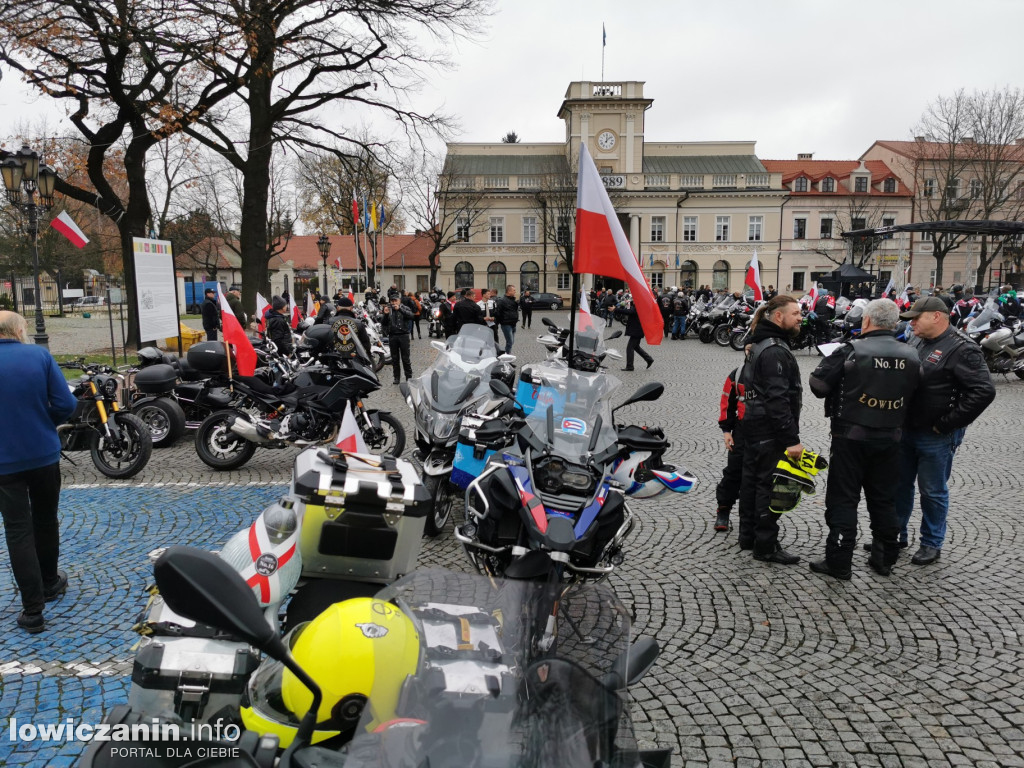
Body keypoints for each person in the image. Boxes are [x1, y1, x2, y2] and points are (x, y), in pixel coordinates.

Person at [874, 296, 995, 565]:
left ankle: (931, 542)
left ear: (937, 317)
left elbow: (983, 391)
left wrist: (948, 423)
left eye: (917, 317)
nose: (912, 322)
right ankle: (896, 535)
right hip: (906, 428)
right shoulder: (917, 340)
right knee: (900, 486)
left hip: (936, 434)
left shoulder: (963, 348)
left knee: (932, 490)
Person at [807, 299, 922, 580]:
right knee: (884, 500)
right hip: (891, 437)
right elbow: (918, 393)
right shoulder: (912, 354)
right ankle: (884, 559)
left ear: (867, 321)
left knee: (843, 499)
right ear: (894, 324)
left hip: (851, 436)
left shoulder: (850, 350)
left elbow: (818, 386)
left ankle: (839, 561)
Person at [0, 311, 78, 633]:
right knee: (46, 518)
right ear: (19, 330)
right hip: (43, 454)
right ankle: (49, 581)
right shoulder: (39, 356)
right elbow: (66, 405)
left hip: (4, 462)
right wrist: (45, 418)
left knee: (18, 530)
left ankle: (33, 611)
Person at [736, 295, 804, 564]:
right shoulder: (774, 349)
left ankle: (748, 537)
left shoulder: (759, 342)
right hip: (768, 429)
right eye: (796, 313)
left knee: (751, 482)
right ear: (779, 317)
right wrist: (791, 440)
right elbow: (777, 399)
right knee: (768, 486)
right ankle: (765, 545)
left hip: (753, 424)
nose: (801, 317)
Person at [714, 364, 746, 533]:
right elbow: (727, 402)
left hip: (765, 432)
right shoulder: (737, 374)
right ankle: (723, 510)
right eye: (747, 348)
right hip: (741, 431)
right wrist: (727, 431)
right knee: (733, 472)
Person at [381, 293, 414, 383]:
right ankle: (396, 377)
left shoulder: (404, 308)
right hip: (393, 336)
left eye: (396, 300)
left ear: (399, 301)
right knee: (395, 359)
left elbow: (411, 316)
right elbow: (383, 323)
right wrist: (386, 314)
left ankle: (409, 377)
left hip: (403, 335)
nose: (394, 302)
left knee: (405, 358)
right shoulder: (388, 309)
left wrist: (400, 309)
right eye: (392, 301)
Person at [330, 297, 372, 364]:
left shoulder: (329, 321)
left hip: (333, 360)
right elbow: (366, 343)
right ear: (351, 308)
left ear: (337, 308)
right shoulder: (358, 323)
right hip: (354, 361)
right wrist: (368, 356)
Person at [614, 300, 653, 371]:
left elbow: (630, 312)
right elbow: (629, 310)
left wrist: (615, 309)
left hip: (637, 331)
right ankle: (649, 359)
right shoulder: (637, 306)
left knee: (630, 348)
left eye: (635, 300)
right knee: (636, 347)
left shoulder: (639, 307)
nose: (633, 301)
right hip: (637, 330)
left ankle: (630, 366)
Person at [495, 285, 519, 355]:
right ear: (509, 291)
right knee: (510, 342)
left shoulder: (513, 300)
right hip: (506, 324)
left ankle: (507, 354)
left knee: (511, 342)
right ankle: (507, 357)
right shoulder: (501, 301)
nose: (515, 292)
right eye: (514, 290)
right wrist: (500, 321)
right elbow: (498, 312)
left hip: (513, 324)